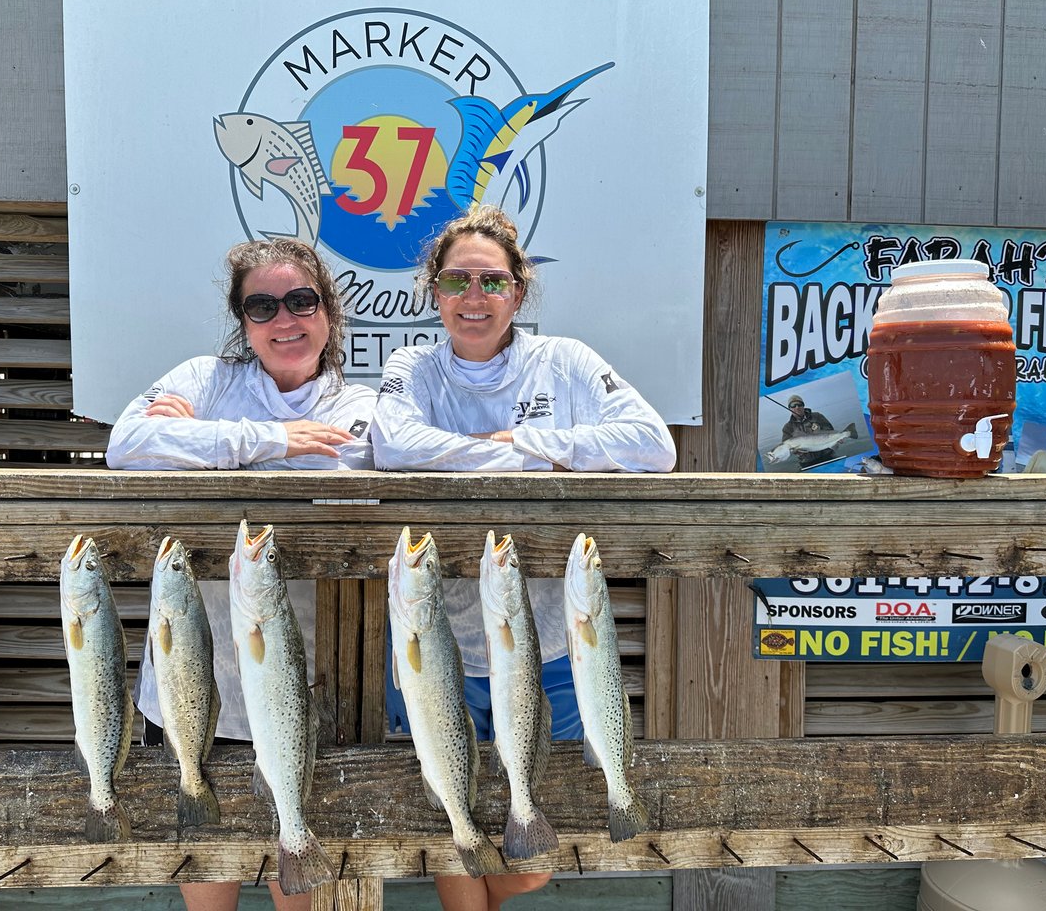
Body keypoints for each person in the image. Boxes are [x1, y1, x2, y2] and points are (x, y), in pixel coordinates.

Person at [371, 204, 676, 911]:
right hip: (431, 648)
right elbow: (391, 445)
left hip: (550, 653)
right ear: (432, 290)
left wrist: (534, 444)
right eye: (455, 282)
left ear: (519, 290)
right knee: (453, 825)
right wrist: (512, 453)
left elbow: (650, 444)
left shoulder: (564, 362)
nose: (473, 299)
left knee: (536, 849)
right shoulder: (412, 367)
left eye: (492, 282)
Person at [105, 238, 375, 911]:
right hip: (190, 681)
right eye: (262, 306)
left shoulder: (360, 404)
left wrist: (196, 442)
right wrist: (270, 439)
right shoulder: (205, 378)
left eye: (301, 300)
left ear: (330, 312)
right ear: (242, 321)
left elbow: (347, 475)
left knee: (301, 882)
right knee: (206, 882)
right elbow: (128, 445)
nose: (285, 320)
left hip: (309, 683)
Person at [781, 394, 836, 469]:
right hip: (807, 462)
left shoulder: (817, 416)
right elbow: (786, 447)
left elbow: (830, 430)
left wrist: (820, 429)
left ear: (803, 406)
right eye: (793, 405)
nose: (797, 407)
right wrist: (796, 451)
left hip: (828, 455)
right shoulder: (787, 428)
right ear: (790, 408)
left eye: (799, 404)